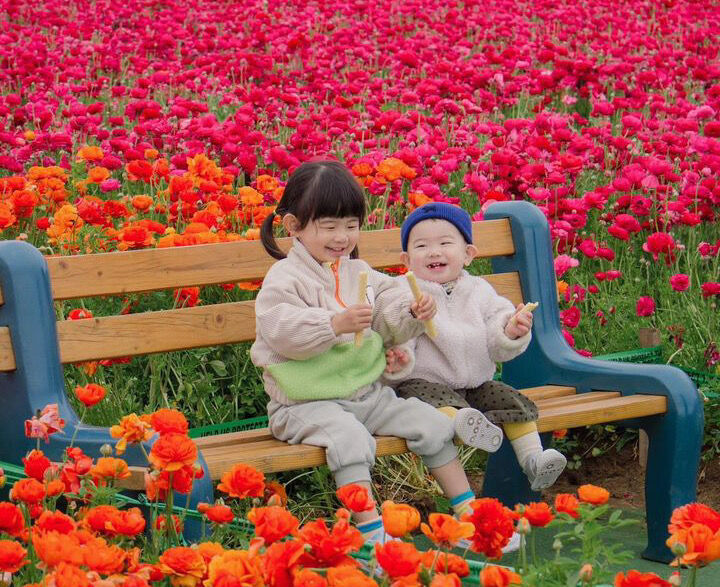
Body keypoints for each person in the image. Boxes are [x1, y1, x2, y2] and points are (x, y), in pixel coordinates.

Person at [251, 161, 480, 546]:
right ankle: (371, 535)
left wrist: (411, 311)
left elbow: (391, 302)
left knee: (431, 424)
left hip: (366, 396)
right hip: (303, 405)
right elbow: (282, 331)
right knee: (351, 440)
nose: (342, 237)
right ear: (293, 226)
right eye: (329, 226)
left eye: (351, 225)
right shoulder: (284, 280)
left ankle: (469, 518)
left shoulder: (358, 270)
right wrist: (333, 325)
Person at [385, 201, 567, 493]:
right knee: (432, 402)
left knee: (509, 397)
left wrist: (510, 329)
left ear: (468, 254)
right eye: (421, 246)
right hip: (422, 382)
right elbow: (396, 329)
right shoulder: (406, 293)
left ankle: (534, 459)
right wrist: (400, 355)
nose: (434, 252)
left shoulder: (480, 290)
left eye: (445, 243)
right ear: (407, 260)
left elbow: (498, 330)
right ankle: (461, 423)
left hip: (474, 383)